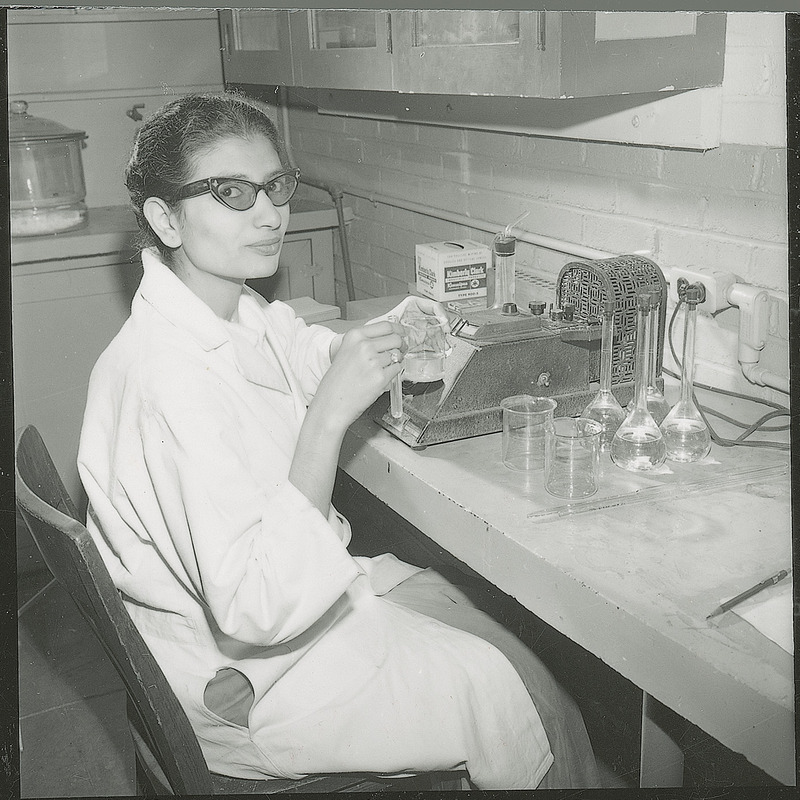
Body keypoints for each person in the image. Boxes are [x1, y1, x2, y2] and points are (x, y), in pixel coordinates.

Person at [78, 92, 599, 790]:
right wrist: (327, 416)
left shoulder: (224, 305)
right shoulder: (168, 382)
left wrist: (379, 341)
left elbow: (294, 347)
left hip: (270, 616)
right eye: (230, 193)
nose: (268, 213)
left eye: (274, 186)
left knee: (483, 619)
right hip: (254, 683)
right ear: (165, 218)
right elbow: (258, 609)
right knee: (527, 695)